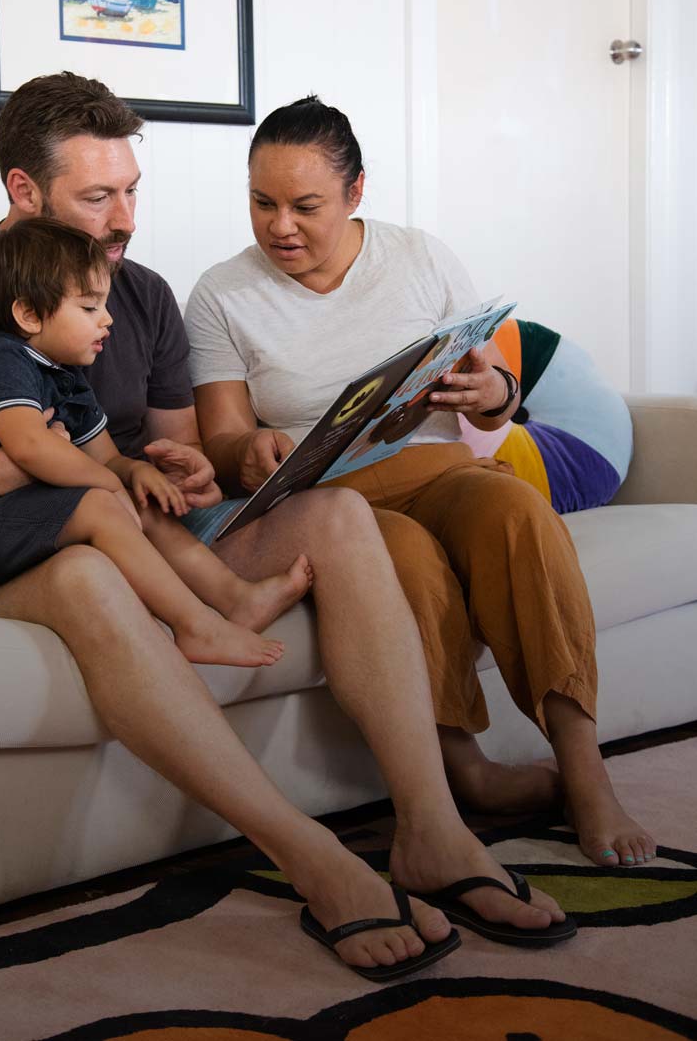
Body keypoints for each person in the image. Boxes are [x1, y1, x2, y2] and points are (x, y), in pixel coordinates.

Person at [0, 72, 572, 982]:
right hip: (12, 550)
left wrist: (188, 465)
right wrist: (27, 465)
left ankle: (433, 833)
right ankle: (311, 856)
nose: (125, 218)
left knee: (334, 515)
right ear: (24, 191)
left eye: (132, 189)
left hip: (136, 525)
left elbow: (176, 453)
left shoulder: (138, 291)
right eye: (98, 197)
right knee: (92, 570)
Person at [185, 94, 656, 872]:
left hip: (441, 468)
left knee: (515, 508)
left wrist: (491, 392)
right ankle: (464, 769)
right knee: (403, 555)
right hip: (334, 503)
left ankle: (584, 769)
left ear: (357, 192)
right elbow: (223, 435)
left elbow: (496, 383)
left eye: (305, 206)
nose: (280, 227)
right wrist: (250, 449)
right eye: (261, 203)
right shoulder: (219, 294)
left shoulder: (419, 256)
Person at [0, 218, 310, 667]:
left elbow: (105, 458)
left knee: (140, 499)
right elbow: (32, 448)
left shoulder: (67, 379)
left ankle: (235, 598)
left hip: (29, 519)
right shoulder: (2, 363)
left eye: (105, 304)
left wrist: (136, 473)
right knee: (101, 501)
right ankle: (195, 627)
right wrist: (109, 487)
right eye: (89, 308)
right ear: (28, 314)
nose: (107, 318)